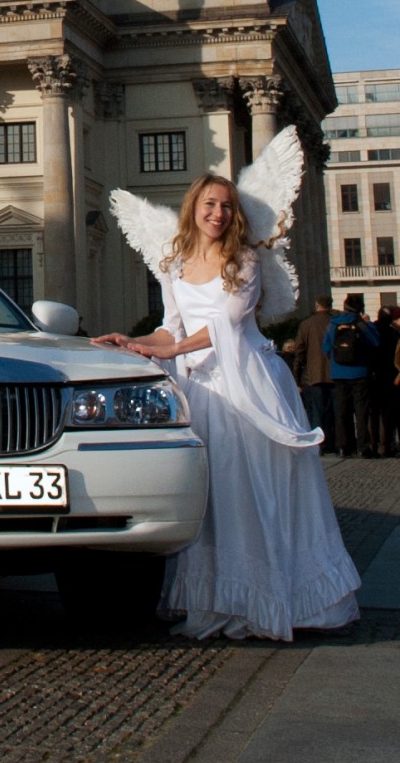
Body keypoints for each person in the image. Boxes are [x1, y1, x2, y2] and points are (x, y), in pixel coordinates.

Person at [92, 174, 360, 641]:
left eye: (227, 206)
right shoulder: (174, 264)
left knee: (255, 490)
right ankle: (218, 598)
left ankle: (273, 597)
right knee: (213, 498)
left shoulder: (245, 259)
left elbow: (227, 323)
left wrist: (171, 352)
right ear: (193, 207)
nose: (219, 213)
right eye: (211, 204)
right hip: (203, 390)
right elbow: (171, 329)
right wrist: (135, 341)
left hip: (249, 386)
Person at [322, 294, 379, 458]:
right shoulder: (360, 323)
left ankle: (344, 446)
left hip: (339, 373)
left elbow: (325, 348)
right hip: (360, 371)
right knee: (361, 412)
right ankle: (363, 446)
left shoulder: (333, 323)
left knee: (341, 411)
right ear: (360, 309)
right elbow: (375, 342)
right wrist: (368, 323)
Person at [293, 294, 336, 453]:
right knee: (334, 412)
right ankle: (335, 442)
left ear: (317, 305)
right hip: (335, 374)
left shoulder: (306, 324)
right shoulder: (335, 322)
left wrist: (297, 377)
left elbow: (299, 352)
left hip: (313, 375)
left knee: (317, 412)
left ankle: (319, 444)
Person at [368, 306, 400, 456]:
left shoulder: (370, 329)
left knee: (373, 413)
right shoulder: (393, 333)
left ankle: (374, 445)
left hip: (371, 375)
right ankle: (386, 445)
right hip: (390, 377)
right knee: (388, 413)